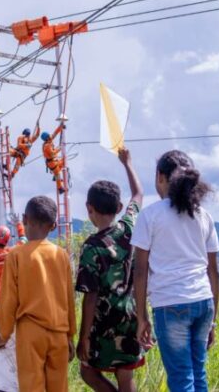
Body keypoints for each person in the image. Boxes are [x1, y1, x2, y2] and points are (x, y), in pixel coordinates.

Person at [131, 150, 219, 392]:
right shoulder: (203, 216)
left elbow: (140, 271)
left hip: (170, 305)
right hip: (204, 302)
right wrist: (213, 321)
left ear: (160, 176)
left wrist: (142, 317)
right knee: (198, 373)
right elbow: (213, 271)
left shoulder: (150, 215)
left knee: (181, 378)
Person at [76, 147, 147, 392]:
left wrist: (83, 336)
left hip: (103, 323)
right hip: (131, 317)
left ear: (89, 208)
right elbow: (138, 194)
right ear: (118, 207)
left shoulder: (91, 248)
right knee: (126, 376)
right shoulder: (129, 228)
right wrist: (127, 163)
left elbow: (90, 297)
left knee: (87, 370)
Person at [0, 196, 76, 392]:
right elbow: (69, 299)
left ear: (24, 219)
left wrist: (4, 334)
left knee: (31, 386)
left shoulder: (15, 256)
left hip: (30, 332)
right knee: (59, 387)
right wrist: (70, 335)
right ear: (54, 225)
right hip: (59, 333)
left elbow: (8, 301)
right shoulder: (61, 255)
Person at [0, 213, 27, 299]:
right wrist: (19, 225)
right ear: (7, 241)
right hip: (9, 298)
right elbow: (23, 240)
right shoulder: (10, 253)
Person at [41, 122, 66, 194]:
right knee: (58, 174)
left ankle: (55, 177)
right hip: (51, 163)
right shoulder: (47, 146)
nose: (50, 137)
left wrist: (61, 127)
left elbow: (55, 133)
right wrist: (59, 148)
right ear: (46, 138)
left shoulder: (49, 140)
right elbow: (52, 154)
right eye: (49, 136)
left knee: (63, 162)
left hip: (53, 161)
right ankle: (60, 188)